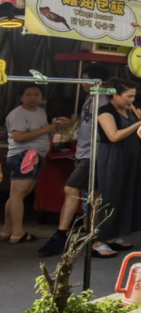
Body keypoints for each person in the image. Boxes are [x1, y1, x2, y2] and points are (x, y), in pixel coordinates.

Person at [39, 65, 110, 256]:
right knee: (92, 195)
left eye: (84, 78)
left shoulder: (102, 99)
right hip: (83, 151)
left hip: (92, 154)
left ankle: (61, 234)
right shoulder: (90, 97)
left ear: (94, 80)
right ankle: (91, 235)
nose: (82, 83)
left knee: (71, 188)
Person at [2, 84, 68, 244]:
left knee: (18, 194)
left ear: (41, 97)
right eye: (29, 94)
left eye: (36, 94)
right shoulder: (17, 114)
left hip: (35, 155)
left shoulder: (40, 111)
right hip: (23, 156)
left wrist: (54, 128)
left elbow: (42, 131)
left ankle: (7, 230)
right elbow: (18, 137)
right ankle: (17, 233)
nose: (33, 97)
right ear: (21, 97)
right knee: (18, 194)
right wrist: (48, 129)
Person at [93, 79, 141, 258]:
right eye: (129, 96)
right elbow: (114, 136)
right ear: (115, 95)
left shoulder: (128, 109)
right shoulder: (105, 111)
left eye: (133, 96)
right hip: (112, 157)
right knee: (110, 195)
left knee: (126, 195)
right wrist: (137, 125)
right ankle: (98, 240)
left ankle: (114, 235)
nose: (132, 100)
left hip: (129, 155)